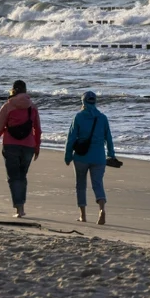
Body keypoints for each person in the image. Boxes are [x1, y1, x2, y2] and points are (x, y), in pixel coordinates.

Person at [0, 80, 41, 218]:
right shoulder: (32, 107)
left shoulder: (8, 106)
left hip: (11, 145)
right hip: (28, 146)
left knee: (13, 177)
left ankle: (19, 208)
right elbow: (38, 130)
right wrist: (37, 147)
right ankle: (21, 206)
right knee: (22, 176)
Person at [64, 91, 115, 225]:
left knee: (80, 185)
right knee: (98, 184)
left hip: (81, 157)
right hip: (99, 157)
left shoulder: (78, 117)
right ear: (95, 101)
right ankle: (102, 209)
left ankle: (83, 215)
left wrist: (68, 156)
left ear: (83, 102)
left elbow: (71, 138)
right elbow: (108, 138)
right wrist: (111, 154)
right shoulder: (102, 118)